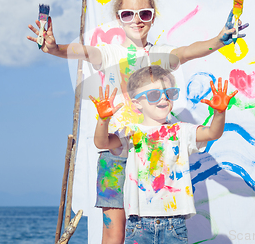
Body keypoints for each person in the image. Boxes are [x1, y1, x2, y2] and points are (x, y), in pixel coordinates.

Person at [27, 0, 248, 244]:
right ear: (118, 17)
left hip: (152, 154)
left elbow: (190, 50)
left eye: (144, 14)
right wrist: (54, 48)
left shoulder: (161, 54)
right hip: (115, 149)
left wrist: (219, 40)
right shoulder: (109, 52)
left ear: (153, 17)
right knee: (112, 232)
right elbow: (83, 52)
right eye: (128, 14)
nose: (137, 20)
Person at [89, 65, 237, 244]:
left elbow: (213, 133)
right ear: (136, 102)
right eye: (154, 95)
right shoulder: (130, 131)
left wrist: (219, 113)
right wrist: (103, 120)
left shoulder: (182, 130)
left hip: (174, 224)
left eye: (170, 93)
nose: (164, 98)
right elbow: (102, 142)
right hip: (138, 224)